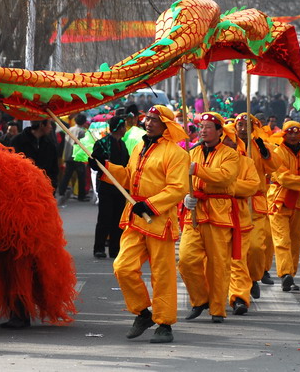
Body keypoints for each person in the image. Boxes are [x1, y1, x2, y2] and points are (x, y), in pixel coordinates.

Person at [106, 105, 189, 343]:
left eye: (155, 119)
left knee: (162, 276)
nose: (149, 122)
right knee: (122, 267)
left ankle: (164, 324)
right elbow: (128, 178)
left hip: (159, 221)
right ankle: (143, 312)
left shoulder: (177, 154)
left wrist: (150, 205)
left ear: (166, 125)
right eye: (148, 118)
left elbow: (177, 188)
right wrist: (105, 168)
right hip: (135, 218)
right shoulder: (139, 147)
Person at [179, 111, 239, 323]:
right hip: (194, 212)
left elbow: (225, 177)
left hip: (218, 211)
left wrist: (198, 170)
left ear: (219, 132)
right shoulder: (191, 153)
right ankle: (199, 299)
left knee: (217, 264)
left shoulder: (230, 154)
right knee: (186, 260)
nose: (203, 130)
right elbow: (181, 180)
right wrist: (185, 197)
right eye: (201, 127)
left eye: (208, 127)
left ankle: (217, 309)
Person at [268, 121, 300, 291]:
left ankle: (291, 274)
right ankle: (285, 274)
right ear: (284, 134)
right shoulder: (277, 153)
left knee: (295, 241)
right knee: (282, 239)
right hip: (279, 202)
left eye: (296, 132)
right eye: (289, 132)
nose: (292, 135)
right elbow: (283, 178)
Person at [234, 113, 279, 297]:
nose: (244, 129)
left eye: (248, 126)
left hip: (255, 203)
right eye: (240, 125)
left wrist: (265, 153)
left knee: (255, 247)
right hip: (232, 203)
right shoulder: (227, 145)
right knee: (234, 250)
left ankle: (253, 277)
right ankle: (238, 289)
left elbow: (274, 167)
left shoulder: (261, 146)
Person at [221, 124, 259, 316]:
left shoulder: (247, 162)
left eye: (233, 140)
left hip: (240, 218)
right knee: (211, 261)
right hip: (213, 219)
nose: (230, 143)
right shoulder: (208, 159)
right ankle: (208, 296)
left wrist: (228, 186)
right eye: (226, 139)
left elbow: (253, 186)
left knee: (238, 260)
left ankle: (239, 297)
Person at [90, 116, 129, 258]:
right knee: (104, 218)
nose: (125, 129)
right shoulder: (102, 144)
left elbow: (127, 164)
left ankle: (115, 249)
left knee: (117, 219)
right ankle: (99, 248)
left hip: (120, 188)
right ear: (119, 128)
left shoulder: (122, 144)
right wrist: (98, 161)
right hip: (106, 187)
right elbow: (94, 163)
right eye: (124, 127)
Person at [11, 120, 59, 190]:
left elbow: (54, 169)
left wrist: (52, 187)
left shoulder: (50, 144)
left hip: (44, 190)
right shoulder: (17, 141)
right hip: (21, 188)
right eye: (49, 124)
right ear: (41, 125)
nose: (51, 127)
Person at [57, 113, 89, 203]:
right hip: (77, 156)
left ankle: (61, 191)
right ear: (84, 122)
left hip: (68, 155)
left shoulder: (70, 129)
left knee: (67, 175)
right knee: (81, 176)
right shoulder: (82, 132)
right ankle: (81, 196)